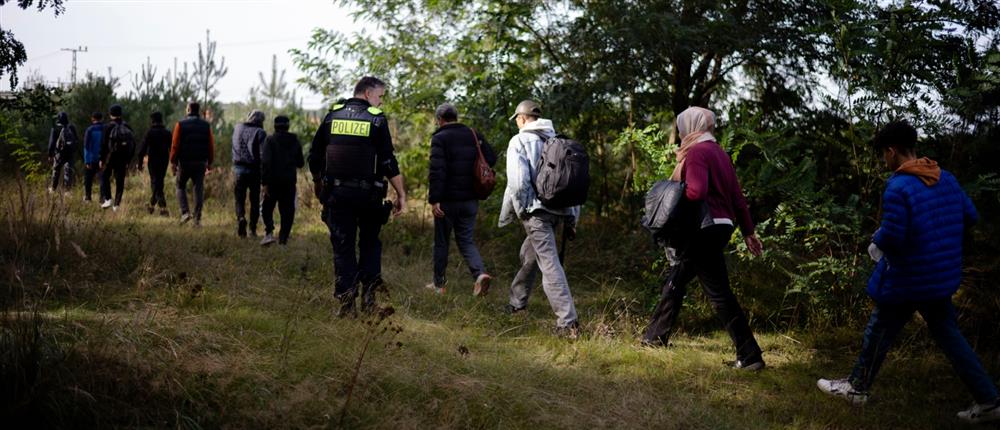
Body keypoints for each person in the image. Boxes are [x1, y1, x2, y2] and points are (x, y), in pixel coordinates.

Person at [817, 121, 1000, 424]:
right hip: (939, 278)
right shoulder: (946, 178)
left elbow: (894, 235)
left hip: (907, 277)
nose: (884, 161)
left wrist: (876, 241)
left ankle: (857, 388)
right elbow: (970, 215)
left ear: (892, 151)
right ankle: (989, 399)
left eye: (883, 155)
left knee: (878, 329)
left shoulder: (899, 186)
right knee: (950, 336)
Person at [640, 106, 765, 370]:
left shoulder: (696, 152)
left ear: (691, 127)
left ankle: (750, 355)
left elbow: (696, 192)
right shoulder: (720, 153)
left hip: (702, 229)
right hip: (721, 227)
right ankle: (654, 338)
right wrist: (749, 233)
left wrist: (672, 199)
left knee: (719, 294)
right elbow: (738, 200)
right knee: (677, 279)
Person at [309, 76, 407, 316]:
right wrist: (401, 193)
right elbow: (387, 161)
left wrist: (318, 182)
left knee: (343, 247)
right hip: (368, 196)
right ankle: (369, 300)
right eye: (380, 96)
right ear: (366, 93)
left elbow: (314, 155)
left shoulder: (332, 116)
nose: (381, 102)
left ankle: (346, 304)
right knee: (370, 244)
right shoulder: (376, 119)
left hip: (337, 194)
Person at [499, 99, 581, 339]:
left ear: (522, 119)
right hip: (559, 211)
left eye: (516, 119)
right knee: (531, 257)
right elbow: (572, 184)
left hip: (536, 212)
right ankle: (517, 303)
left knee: (550, 266)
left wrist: (523, 209)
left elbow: (518, 181)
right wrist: (572, 219)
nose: (516, 123)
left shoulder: (520, 140)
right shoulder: (557, 141)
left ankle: (568, 323)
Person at [424, 103, 497, 295]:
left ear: (440, 119)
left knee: (442, 242)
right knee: (466, 240)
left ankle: (439, 285)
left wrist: (434, 200)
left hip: (447, 201)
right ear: (456, 117)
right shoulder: (474, 134)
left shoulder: (440, 138)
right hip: (470, 200)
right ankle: (480, 274)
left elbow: (437, 171)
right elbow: (491, 158)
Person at [260, 115, 304, 246]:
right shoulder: (294, 140)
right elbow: (301, 163)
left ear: (275, 126)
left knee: (267, 208)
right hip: (289, 182)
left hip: (273, 182)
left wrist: (265, 183)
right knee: (287, 211)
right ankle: (283, 239)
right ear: (288, 126)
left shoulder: (270, 140)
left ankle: (269, 233)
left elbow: (266, 162)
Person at [170, 102, 215, 227]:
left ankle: (185, 212)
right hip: (200, 162)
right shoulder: (206, 126)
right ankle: (197, 220)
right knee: (198, 188)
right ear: (198, 110)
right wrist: (209, 162)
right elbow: (211, 145)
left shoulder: (180, 124)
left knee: (180, 186)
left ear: (189, 110)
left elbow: (175, 145)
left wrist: (173, 161)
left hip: (184, 162)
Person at [232, 110, 266, 237]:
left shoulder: (237, 128)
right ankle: (252, 229)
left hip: (238, 169)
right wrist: (265, 175)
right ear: (261, 121)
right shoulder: (260, 132)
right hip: (254, 171)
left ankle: (241, 218)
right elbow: (263, 156)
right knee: (254, 200)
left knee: (239, 199)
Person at [99, 104, 135, 211]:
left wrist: (101, 158)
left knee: (104, 176)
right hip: (123, 158)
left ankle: (108, 199)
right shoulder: (127, 126)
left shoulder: (107, 127)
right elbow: (133, 144)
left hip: (110, 157)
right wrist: (129, 159)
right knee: (120, 181)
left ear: (110, 114)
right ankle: (117, 205)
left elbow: (103, 144)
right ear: (121, 114)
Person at [136, 111, 172, 216]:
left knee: (155, 182)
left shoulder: (150, 132)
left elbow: (142, 149)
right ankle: (156, 206)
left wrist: (139, 163)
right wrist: (174, 162)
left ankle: (161, 208)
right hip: (164, 160)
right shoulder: (167, 132)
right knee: (159, 182)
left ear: (152, 120)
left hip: (153, 161)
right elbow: (173, 148)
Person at [47, 111, 78, 194]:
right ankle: (67, 191)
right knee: (68, 171)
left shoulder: (55, 128)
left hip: (59, 154)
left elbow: (52, 142)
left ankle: (53, 189)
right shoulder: (71, 127)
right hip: (70, 153)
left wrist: (50, 154)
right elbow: (76, 140)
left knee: (56, 170)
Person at [81, 112, 103, 202]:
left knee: (88, 179)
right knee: (103, 179)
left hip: (91, 159)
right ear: (102, 119)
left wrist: (87, 161)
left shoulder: (89, 130)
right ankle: (103, 198)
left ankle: (88, 197)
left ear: (92, 118)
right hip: (102, 159)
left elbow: (86, 146)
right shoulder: (105, 129)